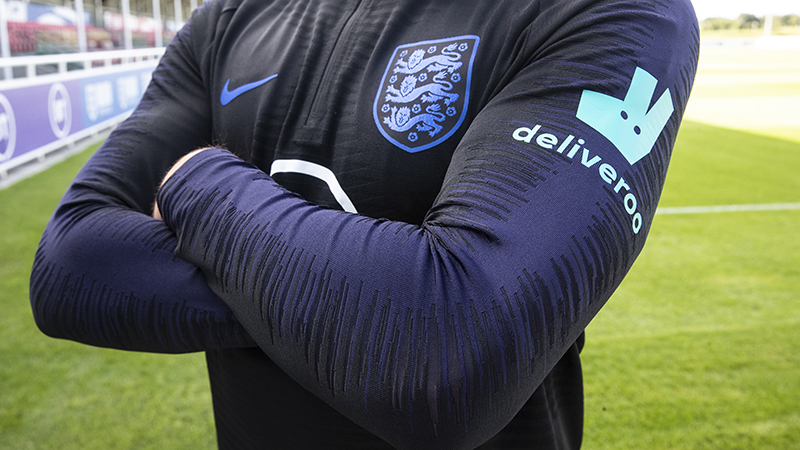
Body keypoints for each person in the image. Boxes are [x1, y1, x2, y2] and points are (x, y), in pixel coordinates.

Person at [29, 0, 699, 448]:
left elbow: (447, 357)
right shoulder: (230, 16)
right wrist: (359, 309)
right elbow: (70, 264)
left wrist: (197, 181)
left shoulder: (608, 10)